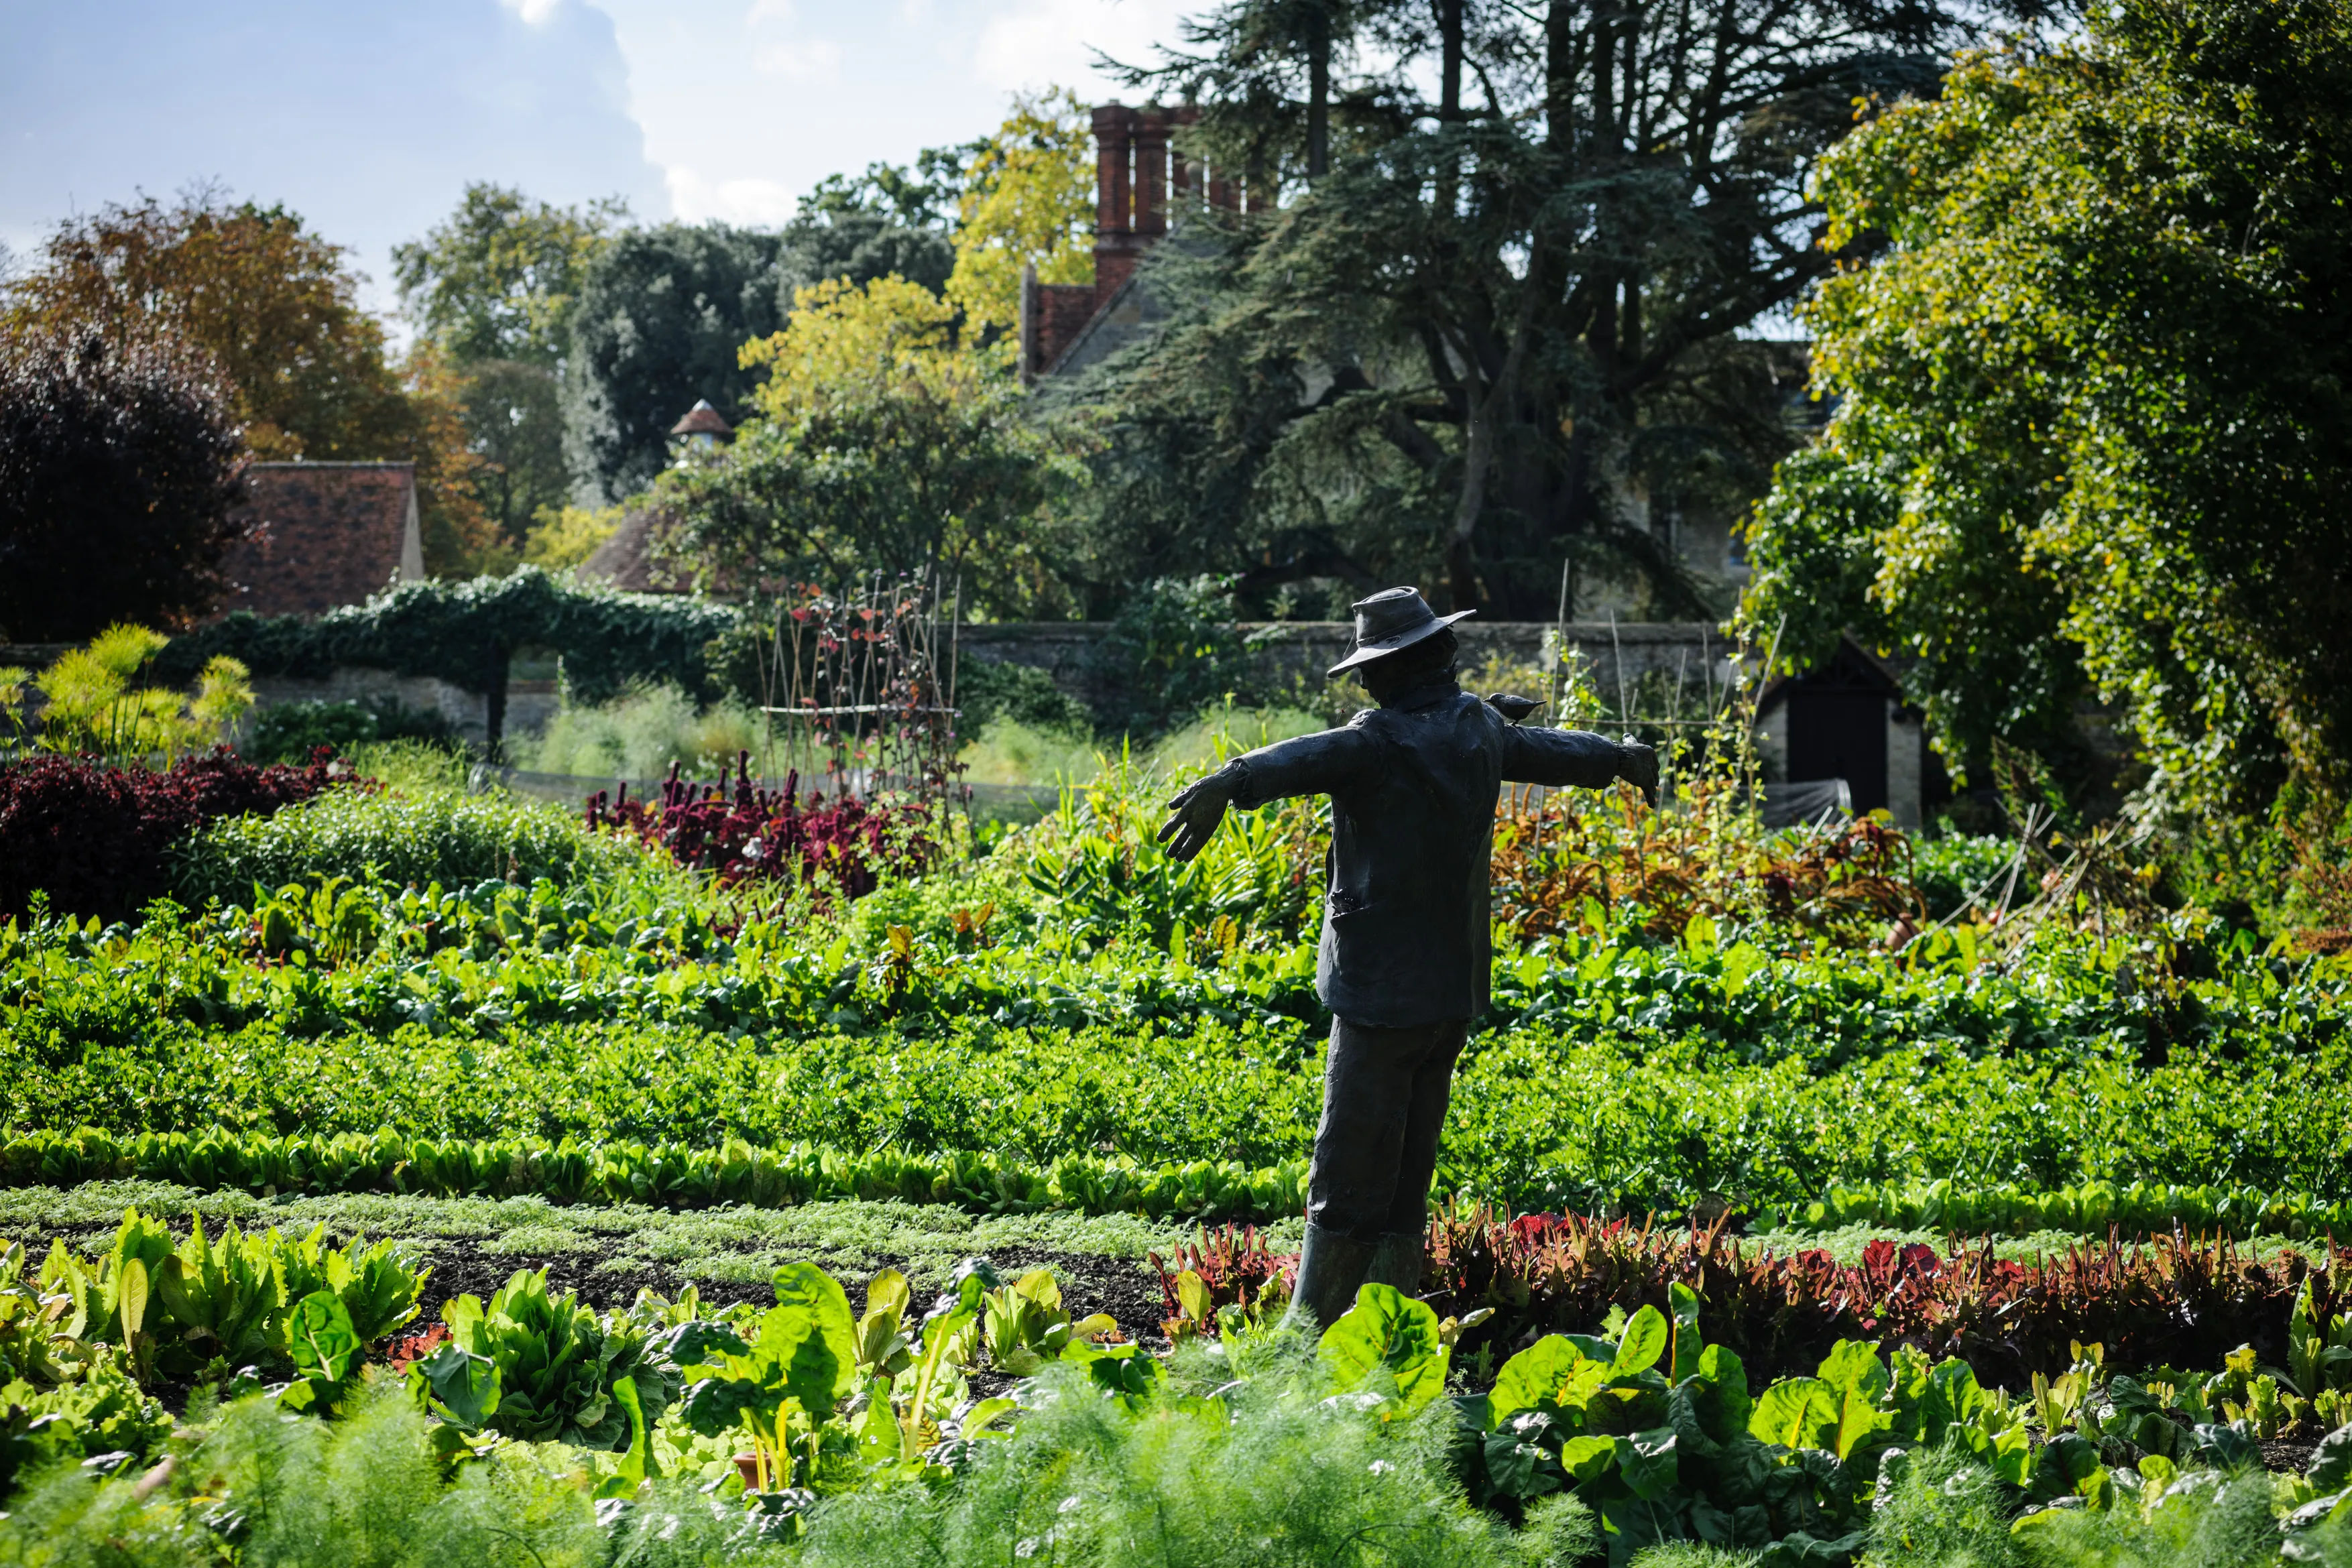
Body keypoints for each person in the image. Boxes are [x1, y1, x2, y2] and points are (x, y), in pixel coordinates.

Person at [1157, 587, 1658, 1328]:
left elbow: (1302, 756)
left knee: (1347, 1164)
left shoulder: (1376, 742)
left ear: (1390, 672)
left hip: (1377, 992)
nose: (1363, 683)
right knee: (1407, 1167)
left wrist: (1229, 781)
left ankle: (1308, 1332)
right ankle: (1389, 1323)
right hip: (1449, 990)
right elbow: (1549, 750)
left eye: (1369, 670)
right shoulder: (1482, 726)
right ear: (1441, 658)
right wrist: (1619, 756)